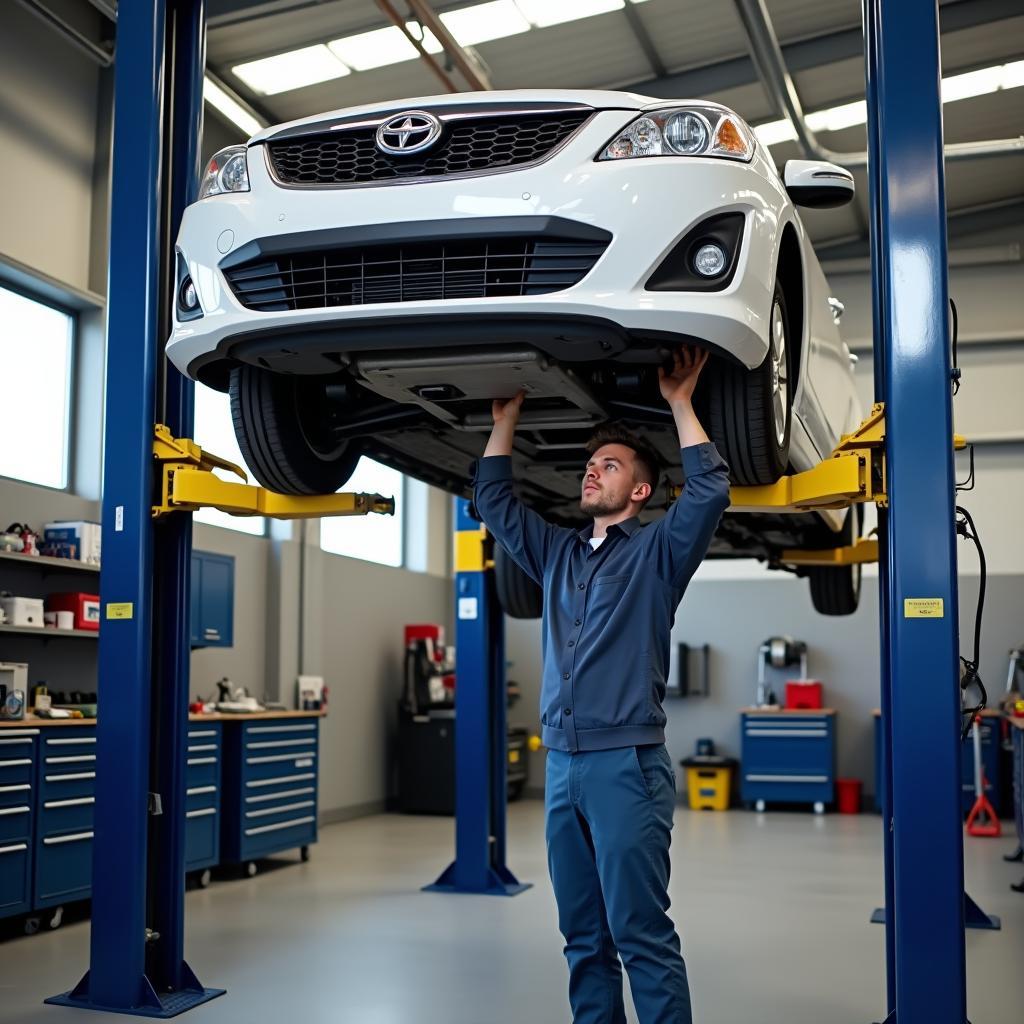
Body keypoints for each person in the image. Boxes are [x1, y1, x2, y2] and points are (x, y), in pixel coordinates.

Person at [474, 345, 730, 1024]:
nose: (594, 471)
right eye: (591, 464)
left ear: (639, 491)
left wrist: (680, 402)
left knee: (640, 935)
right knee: (582, 940)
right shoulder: (556, 552)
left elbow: (710, 492)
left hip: (626, 766)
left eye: (610, 466)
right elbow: (493, 500)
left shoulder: (657, 553)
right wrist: (504, 422)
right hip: (562, 766)